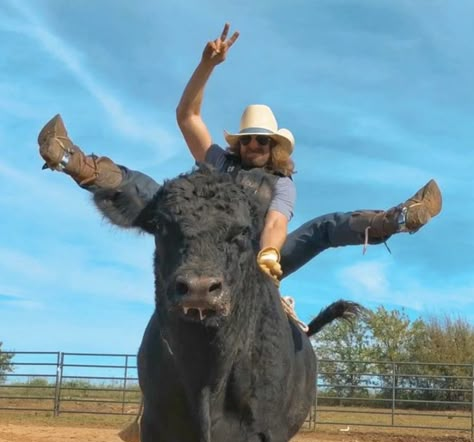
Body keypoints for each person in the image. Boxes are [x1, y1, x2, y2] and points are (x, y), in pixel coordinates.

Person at [37, 23, 442, 286]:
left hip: (258, 250)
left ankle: (396, 219)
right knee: (157, 192)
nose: (253, 145)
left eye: (261, 141)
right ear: (240, 143)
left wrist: (268, 252)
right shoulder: (218, 162)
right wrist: (206, 66)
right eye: (248, 139)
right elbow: (187, 115)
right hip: (206, 239)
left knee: (324, 228)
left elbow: (278, 223)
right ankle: (72, 161)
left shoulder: (282, 185)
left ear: (273, 147)